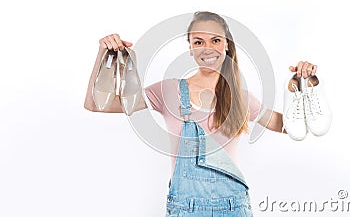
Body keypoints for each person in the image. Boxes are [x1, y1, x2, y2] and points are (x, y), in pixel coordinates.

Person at [84, 11, 317, 216]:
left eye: (215, 40)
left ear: (226, 44)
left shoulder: (242, 98)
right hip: (185, 209)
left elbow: (292, 127)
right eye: (198, 41)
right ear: (190, 48)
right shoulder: (168, 90)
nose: (207, 47)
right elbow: (95, 104)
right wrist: (103, 53)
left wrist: (302, 85)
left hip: (233, 209)